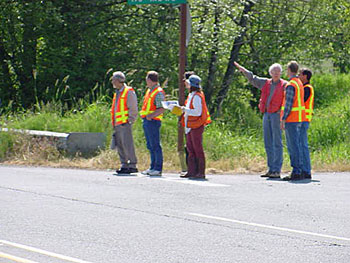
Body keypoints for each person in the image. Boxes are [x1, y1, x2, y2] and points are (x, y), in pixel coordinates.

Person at [234, 61, 287, 179]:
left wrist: (283, 115)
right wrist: (243, 70)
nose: (276, 73)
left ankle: (277, 170)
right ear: (270, 72)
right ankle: (271, 169)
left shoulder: (285, 85)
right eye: (274, 71)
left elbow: (289, 100)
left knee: (277, 143)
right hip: (267, 114)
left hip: (277, 116)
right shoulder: (265, 83)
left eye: (278, 71)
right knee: (268, 142)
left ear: (281, 72)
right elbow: (253, 78)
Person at [179, 75, 211, 179]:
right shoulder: (192, 95)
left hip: (196, 125)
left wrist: (184, 110)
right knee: (190, 149)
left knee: (197, 149)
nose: (186, 84)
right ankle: (191, 171)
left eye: (188, 82)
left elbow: (197, 112)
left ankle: (200, 172)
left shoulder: (197, 96)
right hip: (190, 125)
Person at [280, 61, 306, 181]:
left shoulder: (291, 84)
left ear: (289, 70)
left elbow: (289, 104)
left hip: (292, 119)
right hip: (299, 118)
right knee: (297, 145)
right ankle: (299, 170)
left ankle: (296, 171)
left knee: (293, 146)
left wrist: (283, 119)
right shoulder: (299, 82)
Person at [110, 71, 138, 174]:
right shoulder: (117, 92)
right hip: (117, 123)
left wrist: (130, 120)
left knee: (127, 145)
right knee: (120, 145)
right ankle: (124, 164)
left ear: (117, 81)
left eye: (113, 80)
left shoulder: (128, 91)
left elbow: (133, 107)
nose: (112, 82)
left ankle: (132, 165)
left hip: (125, 123)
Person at [140, 71, 166, 176]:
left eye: (147, 79)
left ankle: (157, 168)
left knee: (155, 144)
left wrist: (151, 116)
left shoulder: (158, 92)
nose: (146, 81)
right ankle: (152, 167)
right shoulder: (150, 91)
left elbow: (161, 108)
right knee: (150, 145)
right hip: (148, 120)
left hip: (154, 121)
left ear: (150, 80)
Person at [299, 68, 314, 179]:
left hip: (303, 120)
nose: (299, 76)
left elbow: (301, 102)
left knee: (303, 145)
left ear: (305, 76)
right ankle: (304, 169)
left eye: (300, 74)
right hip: (302, 119)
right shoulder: (305, 88)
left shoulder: (307, 88)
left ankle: (306, 170)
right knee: (301, 145)